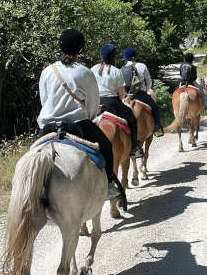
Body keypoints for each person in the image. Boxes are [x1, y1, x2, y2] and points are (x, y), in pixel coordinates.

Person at [36, 29, 122, 200]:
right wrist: (89, 115)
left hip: (48, 126)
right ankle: (108, 186)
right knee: (106, 147)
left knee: (33, 153)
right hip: (78, 124)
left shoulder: (47, 71)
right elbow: (92, 105)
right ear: (80, 50)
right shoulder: (85, 72)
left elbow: (44, 100)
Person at [91, 43, 144, 158]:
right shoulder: (116, 71)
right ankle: (133, 147)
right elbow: (122, 95)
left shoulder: (93, 69)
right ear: (113, 57)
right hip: (112, 104)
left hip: (95, 103)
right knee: (132, 118)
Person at [123, 48, 163, 137]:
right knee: (155, 108)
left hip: (127, 96)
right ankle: (157, 128)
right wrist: (146, 90)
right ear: (134, 57)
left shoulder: (122, 68)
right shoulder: (142, 66)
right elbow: (149, 82)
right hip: (141, 95)